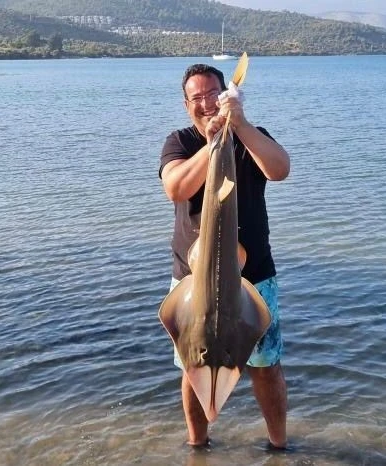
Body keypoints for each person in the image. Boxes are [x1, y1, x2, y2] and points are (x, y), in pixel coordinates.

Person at [158, 63, 290, 449]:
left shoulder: (252, 137)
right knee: (192, 366)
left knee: (265, 366)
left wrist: (239, 125)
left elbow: (280, 169)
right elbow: (176, 188)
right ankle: (197, 445)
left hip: (254, 276)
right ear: (186, 105)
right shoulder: (180, 142)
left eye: (213, 94)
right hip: (192, 280)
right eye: (196, 98)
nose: (205, 103)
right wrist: (213, 142)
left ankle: (279, 446)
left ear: (226, 96)